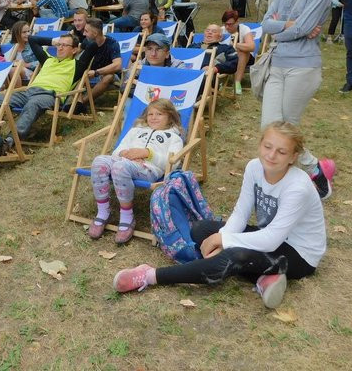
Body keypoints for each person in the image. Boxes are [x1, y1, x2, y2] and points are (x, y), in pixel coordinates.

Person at [112, 122, 326, 310]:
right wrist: (222, 236)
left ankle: (151, 276)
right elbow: (241, 214)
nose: (271, 155)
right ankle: (263, 275)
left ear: (293, 157)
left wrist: (224, 240)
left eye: (281, 152)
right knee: (201, 230)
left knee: (235, 256)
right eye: (267, 146)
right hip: (269, 237)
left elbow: (272, 239)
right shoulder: (254, 167)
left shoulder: (298, 187)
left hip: (299, 254)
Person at [261, 0, 336, 198]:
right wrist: (291, 27)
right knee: (269, 127)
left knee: (287, 129)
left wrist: (285, 27)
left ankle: (302, 180)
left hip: (302, 67)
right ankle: (313, 167)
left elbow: (301, 27)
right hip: (277, 64)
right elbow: (265, 23)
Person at [88, 99, 184, 244]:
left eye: (159, 114)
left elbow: (173, 162)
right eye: (150, 114)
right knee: (99, 161)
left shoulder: (174, 138)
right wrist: (127, 153)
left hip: (148, 169)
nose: (153, 117)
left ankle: (127, 217)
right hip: (126, 161)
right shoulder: (135, 131)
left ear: (170, 117)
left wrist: (146, 154)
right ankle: (103, 212)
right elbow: (117, 151)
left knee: (120, 168)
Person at [0, 33, 98, 154]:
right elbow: (32, 39)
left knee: (33, 105)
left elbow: (93, 45)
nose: (60, 48)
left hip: (49, 96)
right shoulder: (48, 60)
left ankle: (7, 143)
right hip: (28, 92)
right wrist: (53, 41)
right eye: (59, 45)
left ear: (74, 49)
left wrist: (78, 44)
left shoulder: (78, 65)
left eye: (65, 45)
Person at [74, 18, 122, 113]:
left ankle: (83, 102)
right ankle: (78, 104)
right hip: (89, 75)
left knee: (108, 76)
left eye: (86, 31)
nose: (84, 34)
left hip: (106, 76)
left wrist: (96, 72)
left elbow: (117, 65)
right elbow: (76, 52)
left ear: (95, 33)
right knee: (79, 74)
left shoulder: (112, 43)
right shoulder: (87, 42)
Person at [221, 10, 256, 95]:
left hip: (246, 58)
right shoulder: (221, 30)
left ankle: (237, 82)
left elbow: (251, 47)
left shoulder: (244, 29)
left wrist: (236, 45)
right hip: (228, 57)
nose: (227, 27)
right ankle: (219, 81)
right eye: (225, 24)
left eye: (230, 24)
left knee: (243, 51)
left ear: (237, 22)